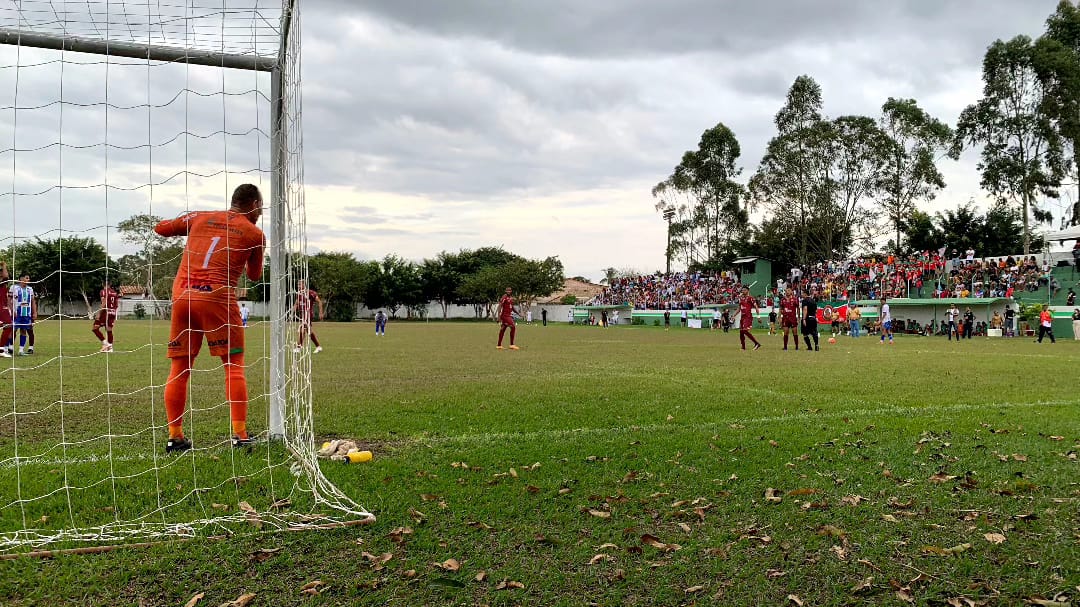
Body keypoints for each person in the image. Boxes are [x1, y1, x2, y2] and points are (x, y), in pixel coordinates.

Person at [153, 183, 265, 453]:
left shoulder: (200, 216)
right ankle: (240, 435)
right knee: (233, 365)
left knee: (179, 368)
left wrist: (187, 222)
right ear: (254, 205)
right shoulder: (255, 233)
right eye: (260, 208)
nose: (260, 213)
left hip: (182, 297)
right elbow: (254, 276)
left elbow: (161, 228)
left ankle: (175, 436)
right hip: (217, 299)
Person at [294, 279, 324, 354]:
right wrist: (292, 312)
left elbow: (319, 302)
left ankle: (299, 347)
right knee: (309, 331)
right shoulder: (299, 294)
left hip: (308, 314)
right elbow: (296, 304)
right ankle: (318, 346)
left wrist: (320, 313)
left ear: (304, 285)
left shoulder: (311, 293)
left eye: (300, 284)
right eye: (298, 285)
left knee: (302, 328)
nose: (298, 286)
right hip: (302, 314)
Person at [10, 273, 36, 355]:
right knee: (13, 330)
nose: (28, 280)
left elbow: (32, 301)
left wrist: (34, 312)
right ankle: (10, 347)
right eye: (27, 278)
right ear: (21, 279)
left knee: (24, 330)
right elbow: (9, 300)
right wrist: (11, 310)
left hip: (26, 313)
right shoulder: (14, 287)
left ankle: (21, 350)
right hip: (16, 313)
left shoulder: (30, 289)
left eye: (29, 278)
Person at [92, 280, 120, 352]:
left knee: (95, 328)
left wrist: (99, 313)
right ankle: (110, 348)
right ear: (110, 284)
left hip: (105, 312)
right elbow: (116, 304)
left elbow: (104, 302)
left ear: (102, 284)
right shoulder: (114, 293)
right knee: (109, 329)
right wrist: (113, 311)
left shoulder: (103, 291)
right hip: (112, 313)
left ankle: (105, 344)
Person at [0, 262, 12, 358]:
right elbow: (6, 276)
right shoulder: (1, 283)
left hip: (3, 308)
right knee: (8, 326)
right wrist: (4, 265)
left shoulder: (4, 285)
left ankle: (1, 349)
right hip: (1, 309)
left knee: (8, 326)